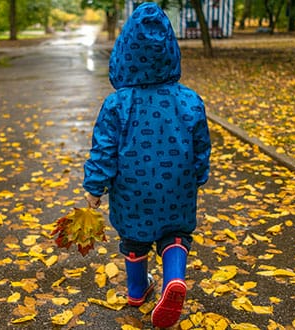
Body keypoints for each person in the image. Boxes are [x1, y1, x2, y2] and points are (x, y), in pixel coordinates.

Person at [83, 2, 212, 328]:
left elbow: (104, 148)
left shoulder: (117, 104)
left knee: (134, 239)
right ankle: (173, 280)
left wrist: (94, 187)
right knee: (176, 235)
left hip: (132, 192)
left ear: (124, 52)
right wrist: (198, 175)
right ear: (170, 51)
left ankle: (138, 290)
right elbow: (201, 145)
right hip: (177, 187)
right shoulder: (189, 100)